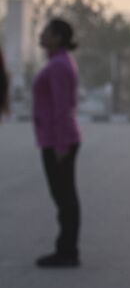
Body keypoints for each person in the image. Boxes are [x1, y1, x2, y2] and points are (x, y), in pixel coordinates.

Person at [33, 18, 82, 268]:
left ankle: (67, 251)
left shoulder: (59, 66)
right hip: (55, 139)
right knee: (63, 196)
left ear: (58, 38)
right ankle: (66, 248)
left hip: (58, 141)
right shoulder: (58, 62)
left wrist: (61, 146)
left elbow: (62, 108)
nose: (41, 35)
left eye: (46, 32)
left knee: (65, 197)